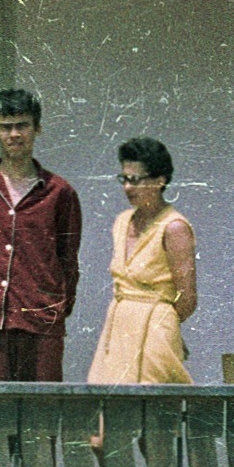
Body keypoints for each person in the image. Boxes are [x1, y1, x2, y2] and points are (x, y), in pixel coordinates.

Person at [0, 89, 82, 381]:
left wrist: (56, 309)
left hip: (41, 320)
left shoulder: (59, 192)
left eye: (22, 125)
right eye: (6, 127)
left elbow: (68, 259)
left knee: (42, 414)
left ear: (37, 128)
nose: (14, 134)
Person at [86, 136, 197, 385]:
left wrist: (163, 325)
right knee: (109, 406)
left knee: (153, 409)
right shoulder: (122, 221)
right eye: (124, 179)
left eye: (136, 180)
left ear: (160, 181)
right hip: (117, 330)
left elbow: (187, 298)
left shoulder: (174, 227)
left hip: (154, 330)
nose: (128, 187)